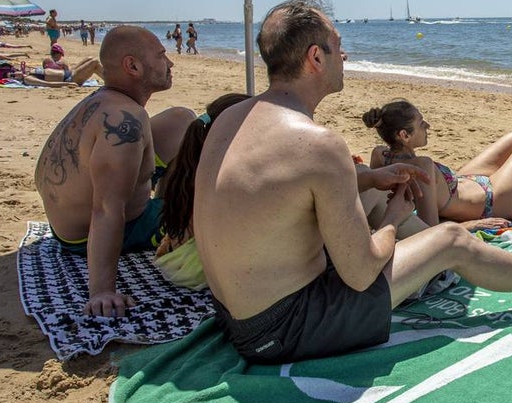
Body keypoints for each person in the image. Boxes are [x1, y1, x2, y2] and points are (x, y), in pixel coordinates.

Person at [194, 0, 512, 363]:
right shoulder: (317, 144)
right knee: (451, 239)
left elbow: (278, 191)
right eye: (339, 45)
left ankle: (432, 253)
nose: (346, 56)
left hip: (236, 318)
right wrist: (393, 219)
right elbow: (360, 274)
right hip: (286, 330)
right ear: (316, 58)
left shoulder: (232, 118)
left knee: (370, 202)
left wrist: (370, 179)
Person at [155, 93, 431, 289]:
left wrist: (366, 177)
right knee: (361, 196)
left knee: (350, 188)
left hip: (189, 265)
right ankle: (427, 244)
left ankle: (424, 241)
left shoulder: (197, 167)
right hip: (214, 271)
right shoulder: (229, 178)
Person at [34, 26, 195, 316]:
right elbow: (106, 209)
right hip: (86, 236)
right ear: (133, 66)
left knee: (184, 120)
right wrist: (102, 291)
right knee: (207, 212)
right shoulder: (125, 120)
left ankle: (164, 200)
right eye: (161, 56)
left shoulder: (105, 101)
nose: (170, 63)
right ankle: (165, 212)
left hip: (70, 218)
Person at [364, 99, 512, 229]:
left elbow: (378, 206)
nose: (428, 127)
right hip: (491, 202)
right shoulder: (421, 166)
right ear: (404, 135)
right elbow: (430, 229)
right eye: (421, 123)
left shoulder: (380, 156)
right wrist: (473, 225)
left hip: (464, 183)